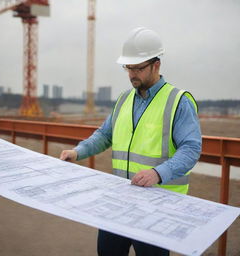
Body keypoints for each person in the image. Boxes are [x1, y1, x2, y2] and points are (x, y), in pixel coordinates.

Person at [60, 27, 202, 256]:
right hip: (119, 202)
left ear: (156, 65)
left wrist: (158, 173)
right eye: (128, 68)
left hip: (158, 208)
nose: (132, 74)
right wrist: (78, 152)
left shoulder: (178, 101)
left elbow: (191, 149)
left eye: (138, 68)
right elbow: (105, 135)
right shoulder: (124, 99)